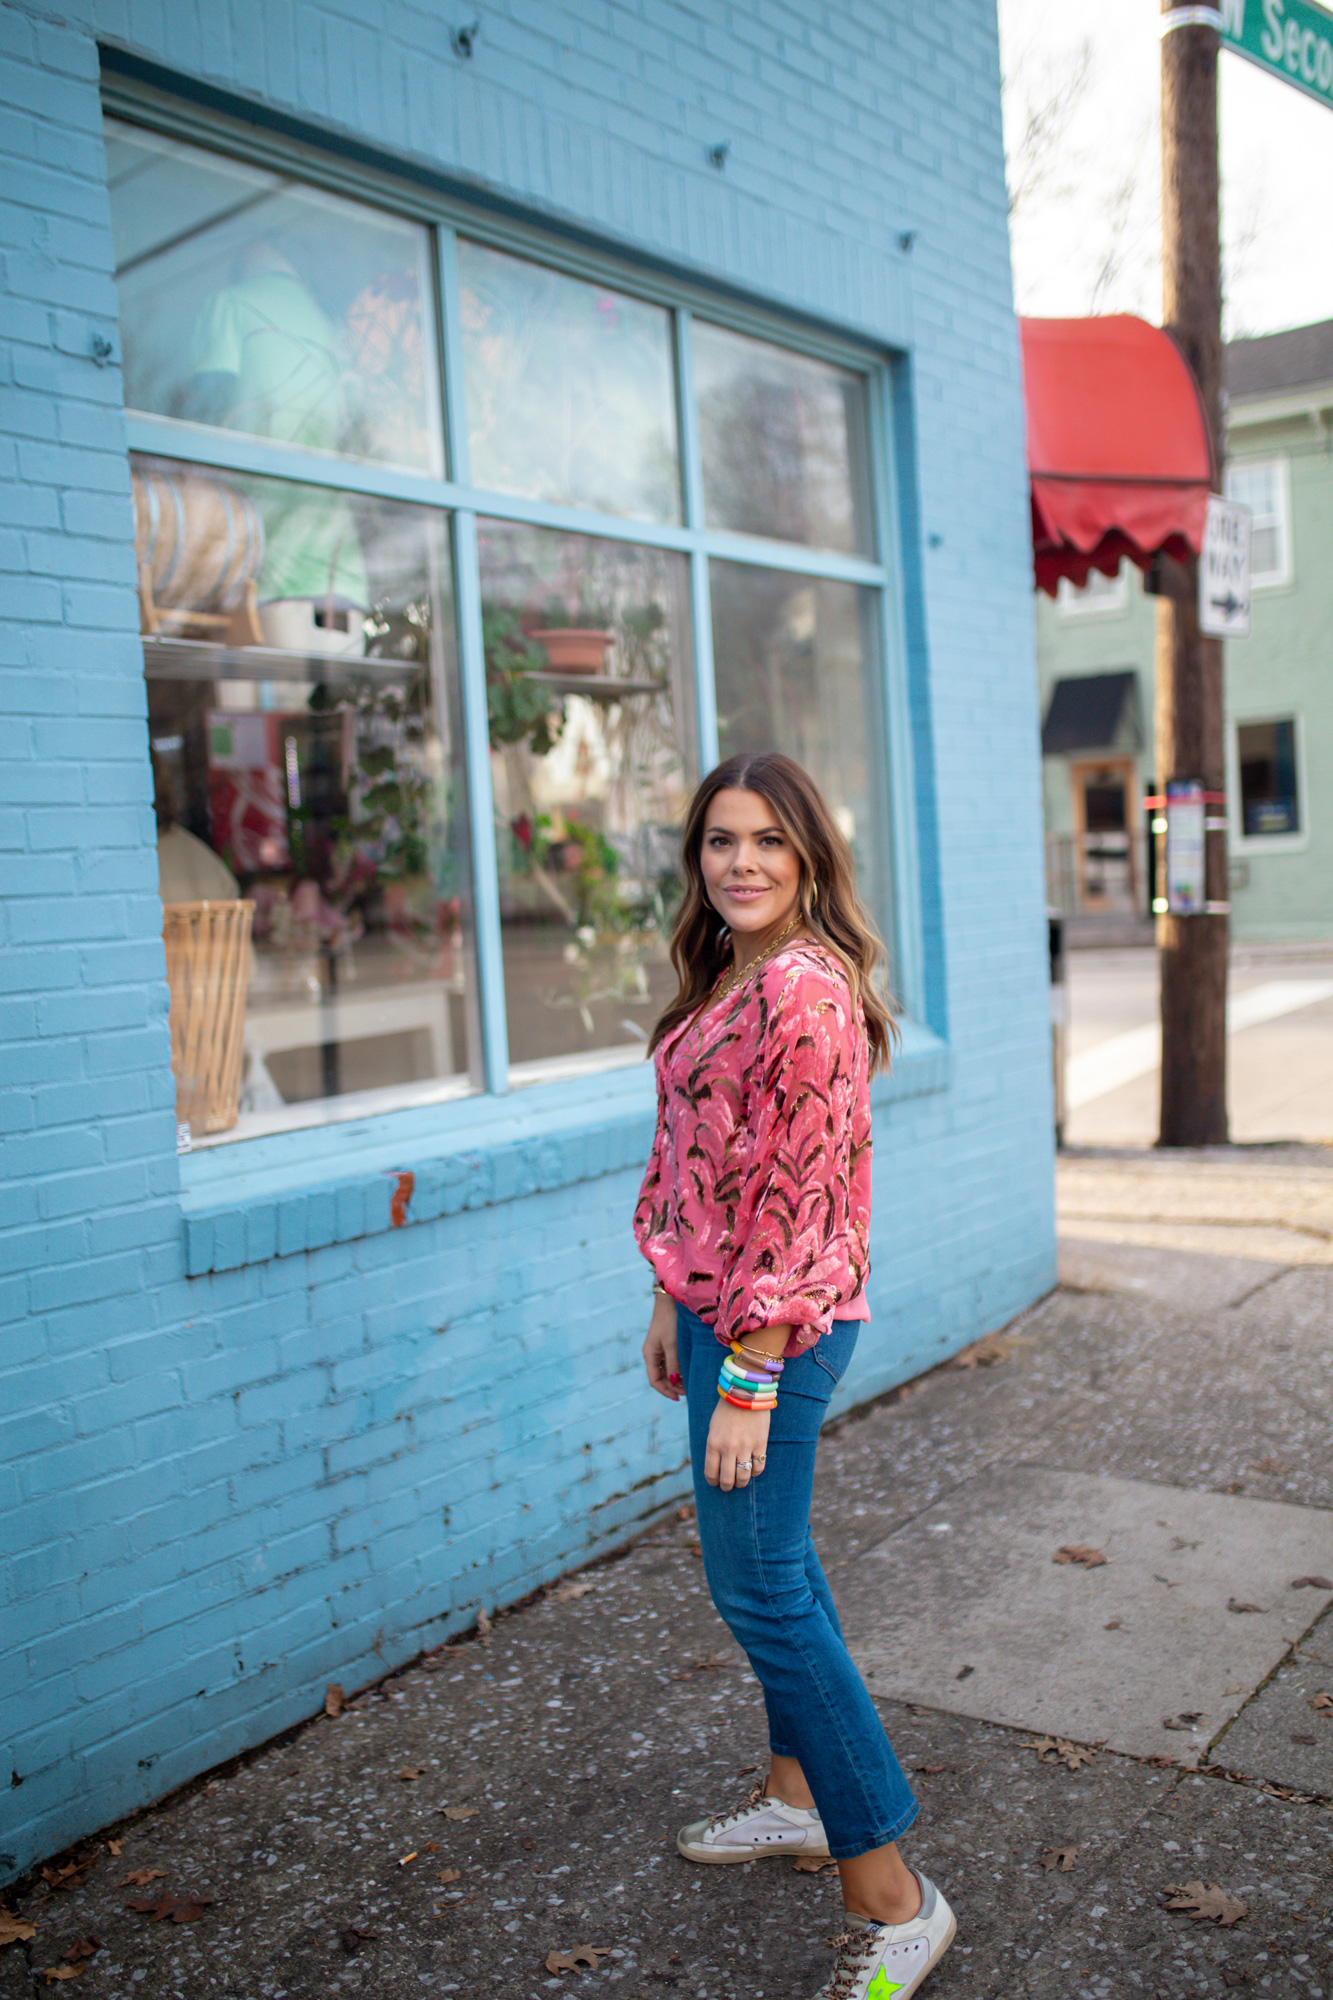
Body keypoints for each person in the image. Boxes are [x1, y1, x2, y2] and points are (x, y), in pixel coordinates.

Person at [634, 752, 955, 2000]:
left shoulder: (806, 989)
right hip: (721, 1311)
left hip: (782, 1327)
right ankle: (793, 1796)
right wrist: (669, 1290)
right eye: (721, 839)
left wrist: (752, 1369)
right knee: (780, 1567)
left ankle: (896, 1896)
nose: (743, 861)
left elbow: (801, 1191)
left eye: (770, 839)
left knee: (759, 1586)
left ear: (811, 854)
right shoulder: (731, 970)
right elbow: (700, 1152)